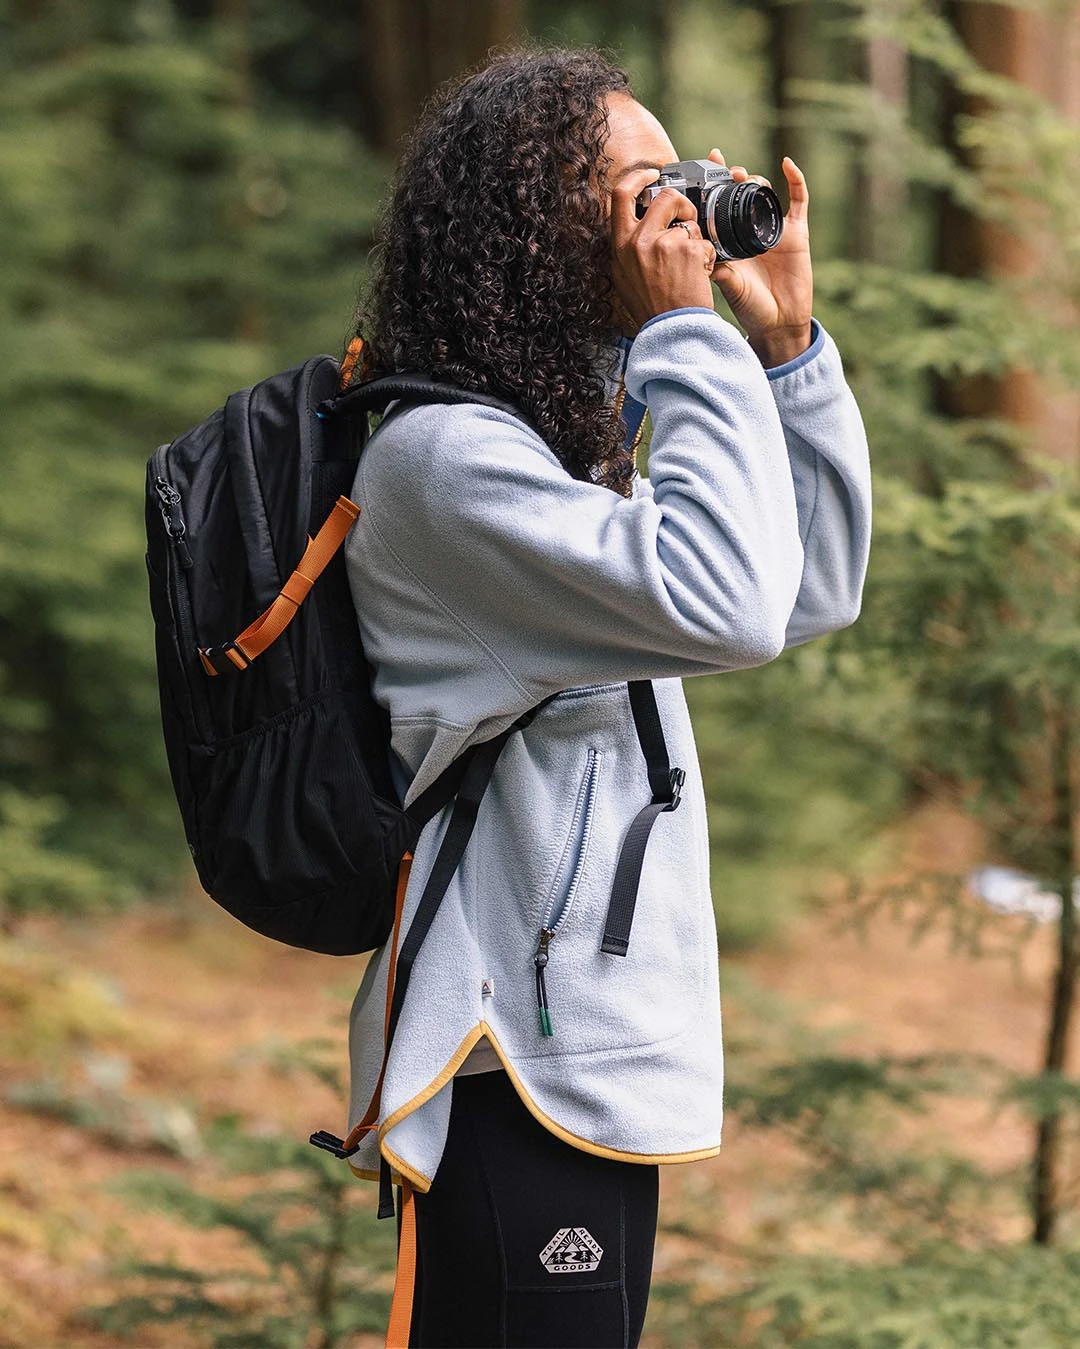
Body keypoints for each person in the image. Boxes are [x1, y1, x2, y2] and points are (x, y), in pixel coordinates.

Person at [341, 46, 870, 1349]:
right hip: (511, 1054)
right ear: (531, 218)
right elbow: (731, 606)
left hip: (580, 1047)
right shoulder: (445, 463)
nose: (677, 214)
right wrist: (688, 337)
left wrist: (785, 354)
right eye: (642, 187)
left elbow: (802, 591)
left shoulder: (556, 457)